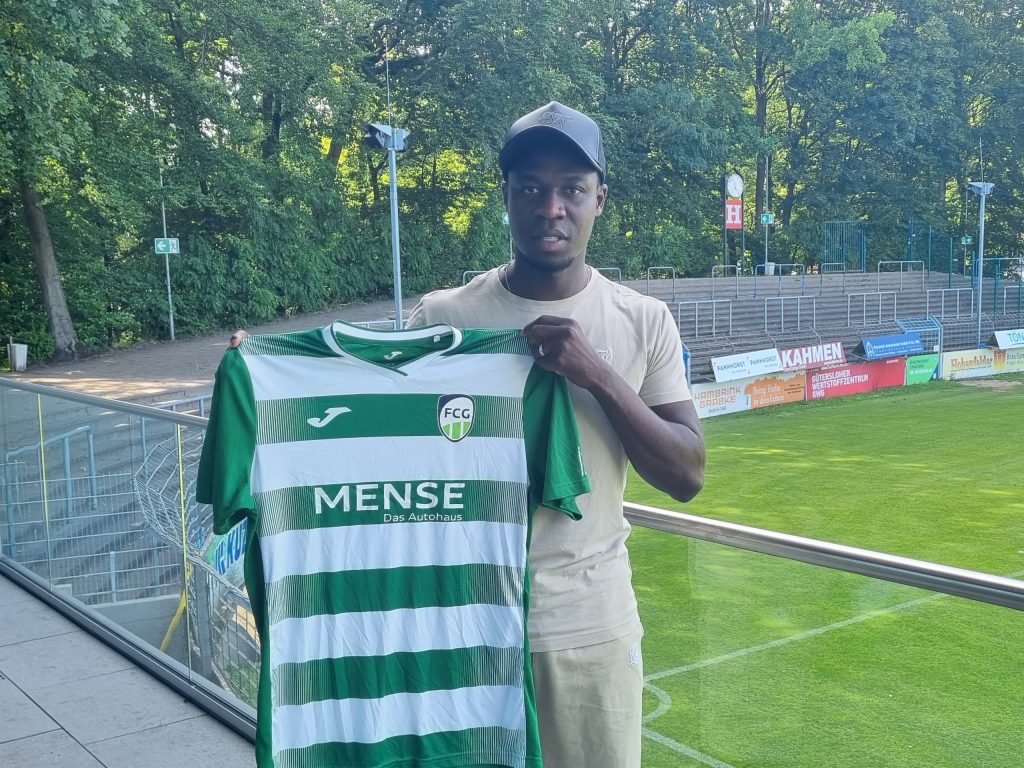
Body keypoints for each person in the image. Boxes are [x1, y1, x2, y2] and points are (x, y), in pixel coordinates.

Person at [231, 101, 706, 767]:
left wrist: (596, 373)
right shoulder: (445, 316)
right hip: (456, 626)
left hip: (585, 627)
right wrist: (268, 373)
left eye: (572, 189)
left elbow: (686, 475)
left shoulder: (642, 319)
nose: (551, 208)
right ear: (504, 196)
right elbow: (376, 442)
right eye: (530, 189)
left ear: (600, 199)